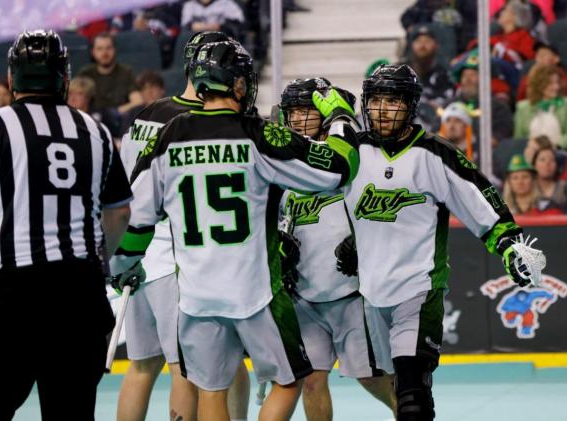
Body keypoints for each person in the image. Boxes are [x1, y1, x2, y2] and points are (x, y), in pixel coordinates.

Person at [110, 40, 360, 421]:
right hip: (254, 293)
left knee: (212, 390)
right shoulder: (256, 133)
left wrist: (124, 262)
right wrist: (341, 116)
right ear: (238, 84)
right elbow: (340, 168)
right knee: (290, 380)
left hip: (194, 296)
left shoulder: (170, 135)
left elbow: (139, 217)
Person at [336, 64, 544, 421]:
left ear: (411, 105)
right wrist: (351, 243)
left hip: (419, 289)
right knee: (395, 386)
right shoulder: (353, 153)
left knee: (413, 389)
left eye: (393, 100)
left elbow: (479, 199)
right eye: (378, 100)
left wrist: (509, 244)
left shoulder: (435, 154)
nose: (383, 110)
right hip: (371, 290)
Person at [115, 31, 251, 421]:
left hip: (139, 257)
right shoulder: (205, 120)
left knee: (141, 367)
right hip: (183, 263)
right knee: (191, 371)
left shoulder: (146, 114)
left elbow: (129, 186)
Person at [0, 29, 133, 420]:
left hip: (12, 290)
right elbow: (119, 213)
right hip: (78, 293)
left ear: (12, 78)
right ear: (65, 78)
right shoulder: (95, 131)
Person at [278, 77, 396, 421]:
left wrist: (364, 240)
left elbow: (385, 207)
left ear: (325, 113)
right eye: (293, 111)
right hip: (304, 294)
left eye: (307, 110)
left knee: (372, 378)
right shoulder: (282, 158)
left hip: (350, 293)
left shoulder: (352, 154)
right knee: (312, 382)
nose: (299, 119)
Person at [514, 63, 567, 148]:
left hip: (559, 151)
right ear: (539, 85)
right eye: (551, 83)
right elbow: (519, 138)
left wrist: (555, 146)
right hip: (530, 152)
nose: (557, 87)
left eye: (557, 82)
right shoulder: (523, 107)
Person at [78, 32, 143, 114]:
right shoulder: (85, 74)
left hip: (119, 120)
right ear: (93, 52)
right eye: (99, 49)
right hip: (92, 120)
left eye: (108, 48)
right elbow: (76, 103)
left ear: (115, 50)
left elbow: (138, 101)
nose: (105, 53)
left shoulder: (126, 72)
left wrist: (115, 112)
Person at [404, 25, 454, 107]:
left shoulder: (444, 75)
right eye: (418, 41)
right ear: (412, 45)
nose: (422, 45)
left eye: (427, 41)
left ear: (436, 45)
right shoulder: (401, 72)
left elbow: (447, 100)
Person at [532, 145, 567, 213]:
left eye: (552, 160)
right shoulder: (527, 188)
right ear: (534, 165)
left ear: (557, 165)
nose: (547, 163)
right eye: (542, 160)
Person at [181, 0, 245, 38]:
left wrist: (220, 26)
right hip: (196, 39)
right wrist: (193, 26)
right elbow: (185, 25)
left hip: (221, 38)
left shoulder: (226, 3)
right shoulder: (190, 5)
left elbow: (238, 23)